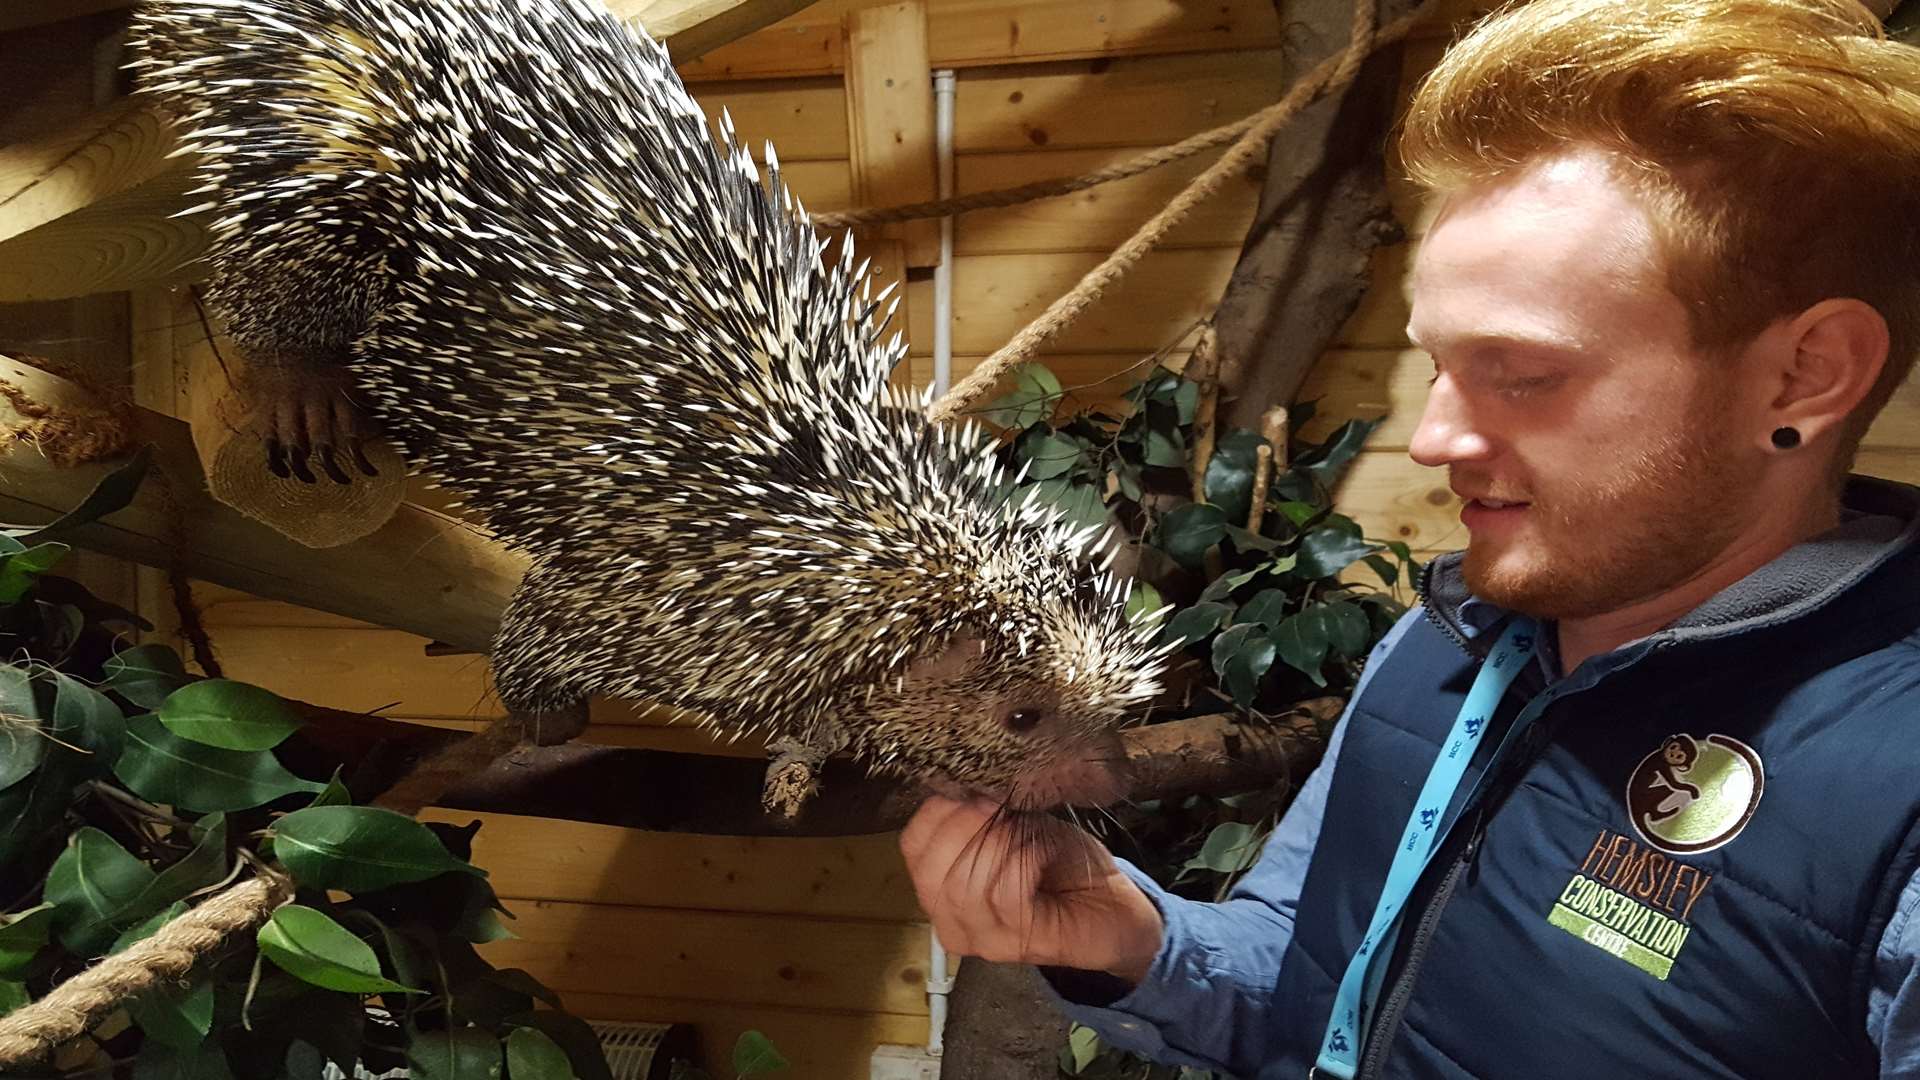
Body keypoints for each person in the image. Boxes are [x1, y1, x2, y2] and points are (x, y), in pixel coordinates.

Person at [898, 0, 1920, 1075]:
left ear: (1805, 375)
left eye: (1522, 375)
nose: (1433, 438)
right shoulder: (1441, 644)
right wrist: (1126, 939)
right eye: (1436, 366)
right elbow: (1301, 971)